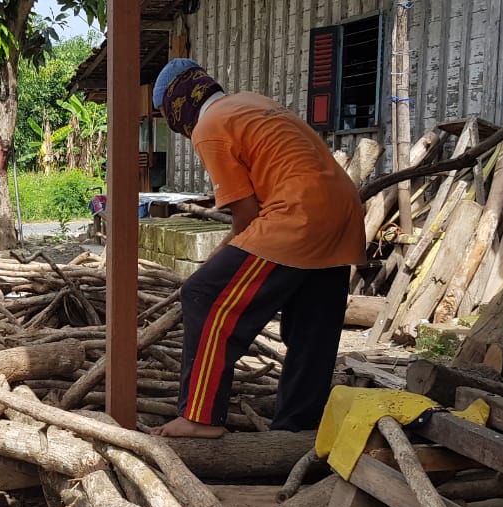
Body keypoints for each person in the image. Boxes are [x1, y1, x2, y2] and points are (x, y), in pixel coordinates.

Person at [148, 59, 366, 439]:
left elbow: (246, 217)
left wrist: (217, 261)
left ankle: (199, 417)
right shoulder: (248, 101)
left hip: (299, 215)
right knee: (311, 327)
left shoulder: (208, 127)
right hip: (344, 210)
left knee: (204, 295)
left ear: (177, 105)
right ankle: (296, 431)